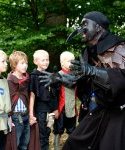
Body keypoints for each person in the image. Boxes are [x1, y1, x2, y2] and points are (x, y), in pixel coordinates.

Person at [40, 11, 125, 150]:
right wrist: (61, 78)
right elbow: (77, 81)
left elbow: (122, 77)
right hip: (102, 109)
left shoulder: (119, 47)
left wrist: (94, 71)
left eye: (85, 24)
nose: (81, 28)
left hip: (120, 112)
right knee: (74, 144)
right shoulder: (88, 52)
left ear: (98, 28)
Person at [29, 49, 59, 150]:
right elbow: (32, 95)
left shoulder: (50, 75)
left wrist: (55, 108)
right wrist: (31, 113)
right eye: (43, 60)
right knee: (41, 134)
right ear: (35, 61)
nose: (46, 62)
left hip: (50, 109)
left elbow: (54, 94)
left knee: (47, 132)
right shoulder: (33, 76)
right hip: (40, 109)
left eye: (47, 60)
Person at [53, 51, 78, 150]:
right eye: (69, 61)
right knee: (58, 130)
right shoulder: (58, 75)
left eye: (73, 61)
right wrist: (55, 109)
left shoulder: (75, 75)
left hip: (72, 107)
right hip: (61, 108)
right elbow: (54, 95)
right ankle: (56, 148)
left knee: (72, 130)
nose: (71, 63)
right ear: (62, 63)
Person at [7, 51, 30, 150]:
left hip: (26, 114)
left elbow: (28, 96)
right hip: (15, 116)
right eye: (22, 63)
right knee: (15, 142)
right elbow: (7, 100)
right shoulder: (9, 81)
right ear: (14, 65)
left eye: (26, 63)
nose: (25, 66)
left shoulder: (26, 79)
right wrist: (9, 116)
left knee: (25, 143)